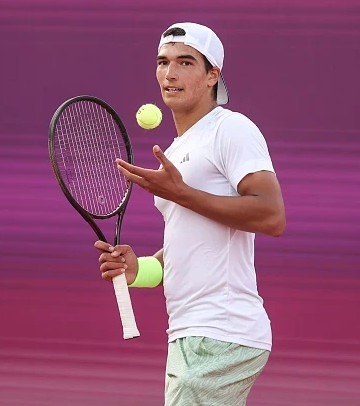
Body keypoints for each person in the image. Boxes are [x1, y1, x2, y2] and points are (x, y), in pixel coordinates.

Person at [96, 22, 286, 406]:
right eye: (163, 62)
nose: (170, 73)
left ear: (213, 74)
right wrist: (141, 270)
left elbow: (271, 215)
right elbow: (192, 243)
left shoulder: (231, 129)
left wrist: (180, 193)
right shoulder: (180, 147)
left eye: (186, 62)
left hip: (220, 328)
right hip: (190, 332)